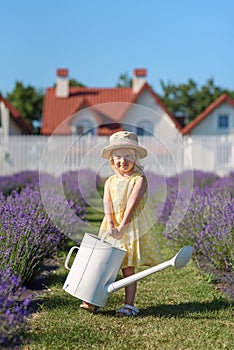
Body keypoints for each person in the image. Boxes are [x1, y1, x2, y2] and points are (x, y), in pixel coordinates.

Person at [80, 131, 160, 316]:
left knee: (127, 267)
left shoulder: (139, 180)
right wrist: (110, 223)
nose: (122, 160)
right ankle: (93, 298)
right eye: (118, 156)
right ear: (112, 160)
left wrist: (122, 225)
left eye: (127, 156)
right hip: (111, 225)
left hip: (129, 226)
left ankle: (128, 304)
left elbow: (132, 204)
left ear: (136, 159)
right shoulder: (110, 181)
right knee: (102, 263)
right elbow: (107, 203)